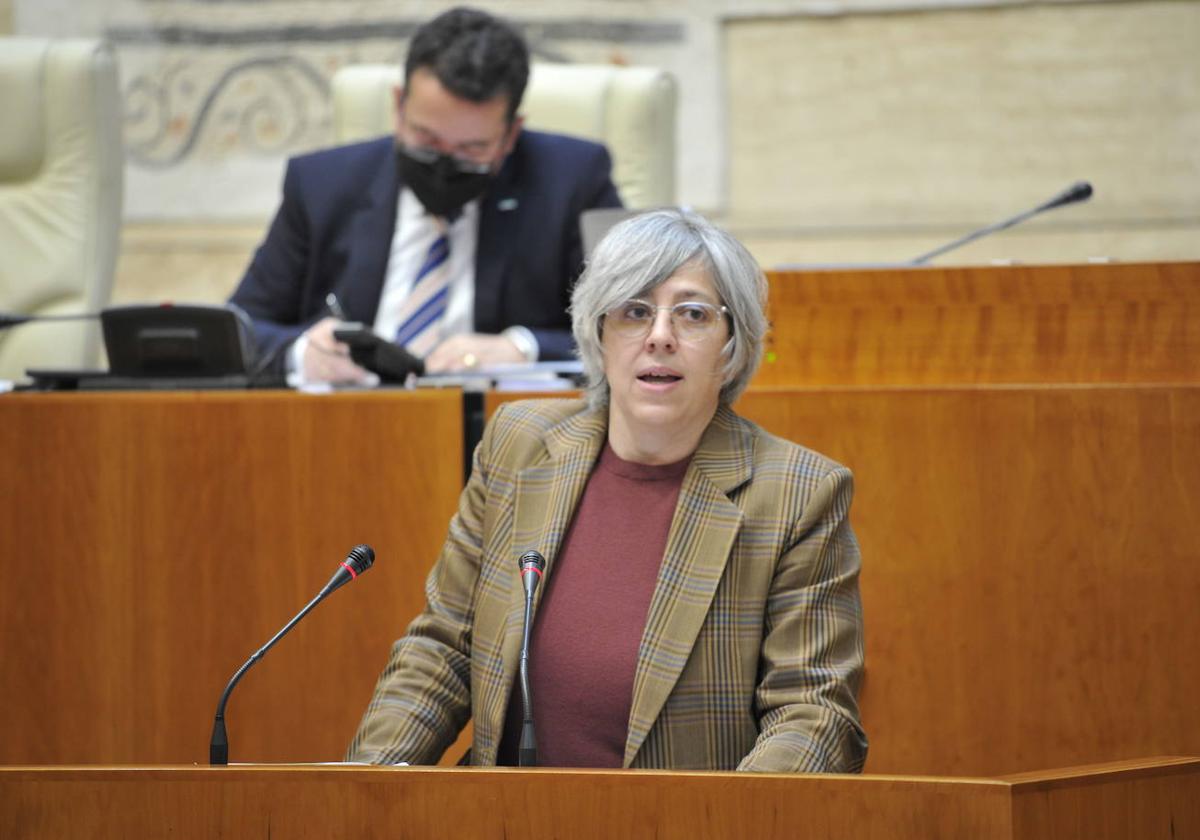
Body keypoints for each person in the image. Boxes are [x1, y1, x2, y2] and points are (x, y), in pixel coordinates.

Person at [347, 209, 868, 772]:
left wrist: (730, 823)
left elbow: (813, 712)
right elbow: (445, 648)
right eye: (634, 311)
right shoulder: (519, 445)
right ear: (599, 333)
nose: (659, 337)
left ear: (731, 345)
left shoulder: (796, 493)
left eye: (692, 314)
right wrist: (372, 786)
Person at [229, 7, 622, 383]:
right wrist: (302, 352)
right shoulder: (320, 183)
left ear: (510, 135)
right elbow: (239, 329)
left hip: (499, 430)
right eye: (427, 139)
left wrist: (521, 348)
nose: (444, 163)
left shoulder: (573, 180)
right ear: (399, 107)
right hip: (348, 418)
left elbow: (629, 328)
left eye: (471, 149)